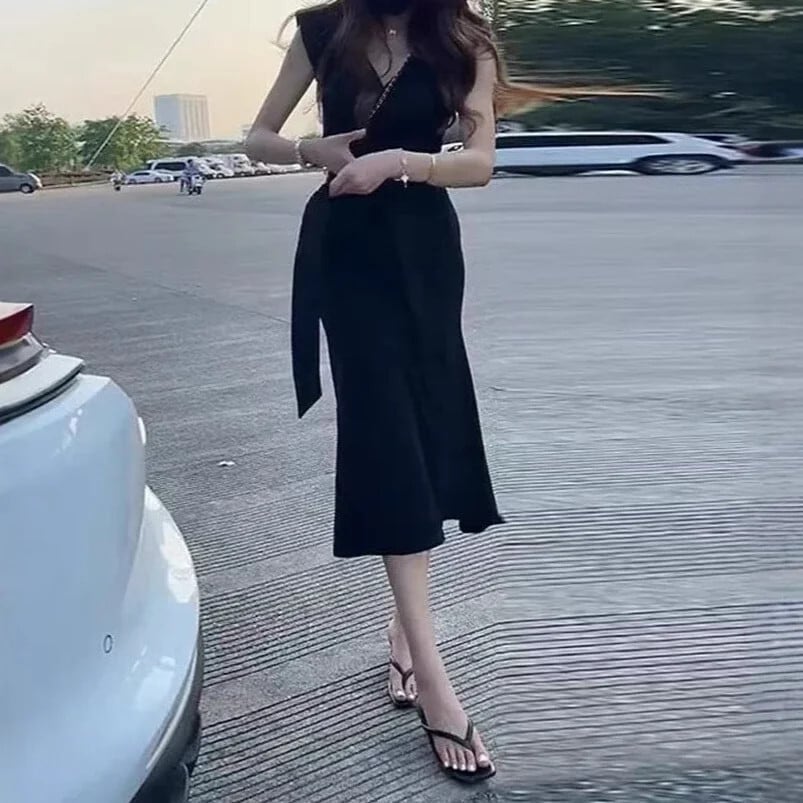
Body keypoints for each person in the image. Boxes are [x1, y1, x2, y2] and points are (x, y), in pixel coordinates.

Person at [246, 0, 522, 783]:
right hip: (349, 254)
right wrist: (311, 149)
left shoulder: (462, 37)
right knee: (386, 438)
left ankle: (403, 634)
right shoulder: (322, 29)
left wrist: (398, 161)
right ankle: (433, 677)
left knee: (427, 428)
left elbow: (479, 162)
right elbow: (255, 137)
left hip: (425, 253)